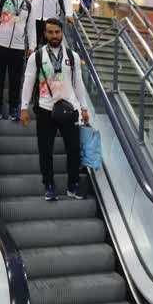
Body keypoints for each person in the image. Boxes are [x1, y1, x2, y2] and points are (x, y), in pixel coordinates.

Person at [19, 18, 89, 201]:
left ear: (62, 32)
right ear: (44, 33)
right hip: (45, 109)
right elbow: (28, 82)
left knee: (73, 150)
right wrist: (24, 108)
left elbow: (78, 83)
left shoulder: (73, 56)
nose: (54, 35)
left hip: (70, 108)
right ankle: (49, 185)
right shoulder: (37, 56)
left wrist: (84, 107)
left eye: (57, 32)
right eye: (50, 32)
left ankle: (73, 186)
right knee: (45, 151)